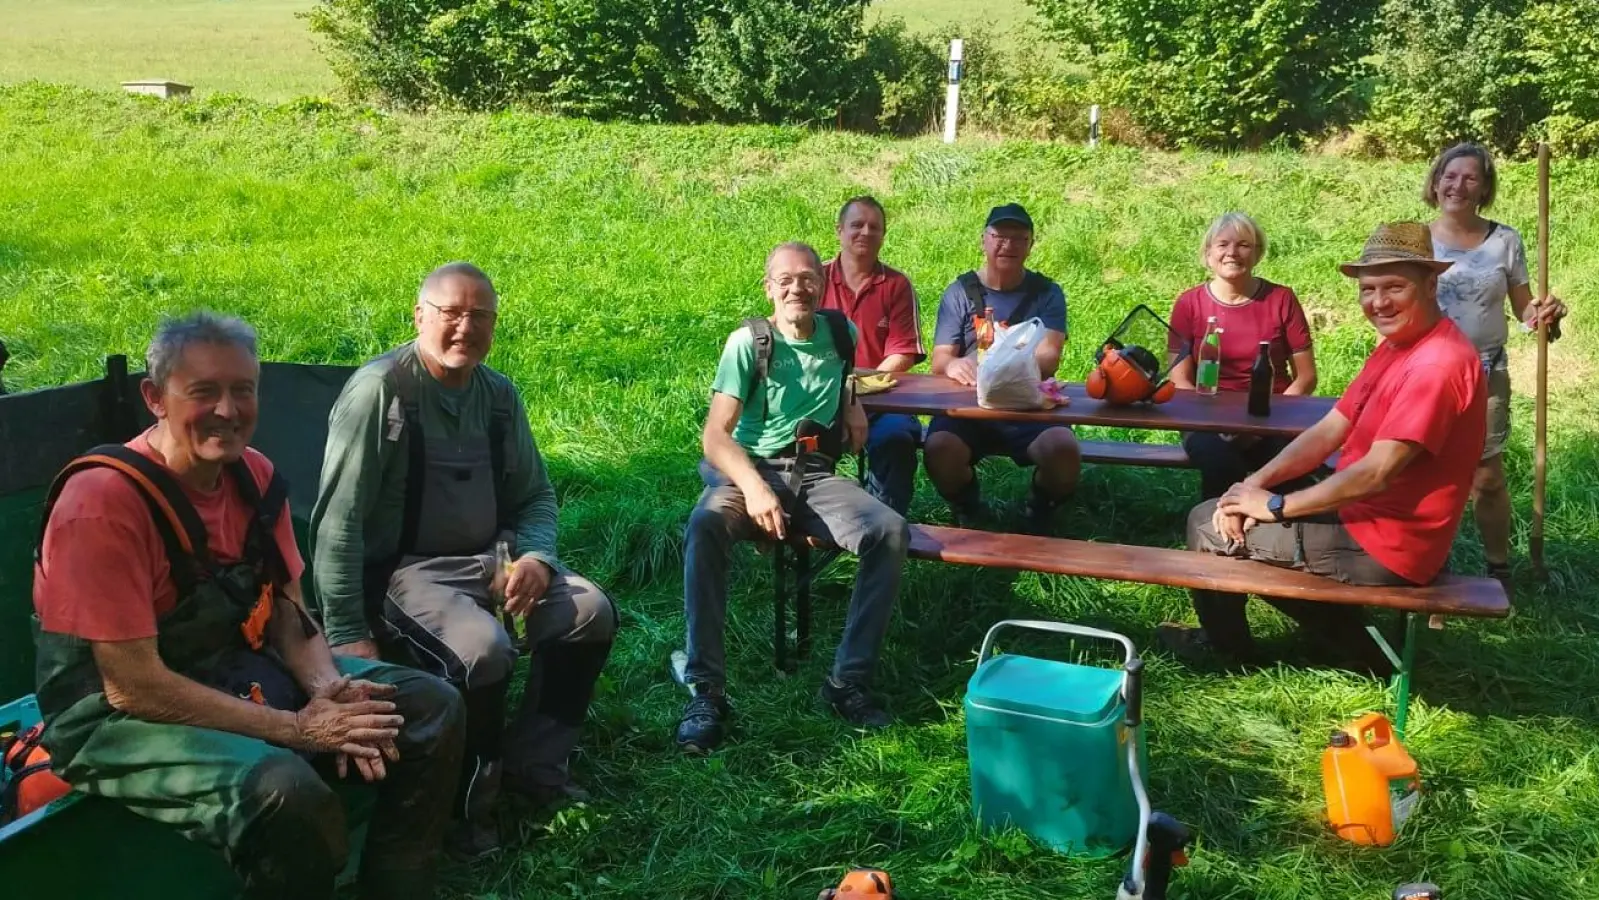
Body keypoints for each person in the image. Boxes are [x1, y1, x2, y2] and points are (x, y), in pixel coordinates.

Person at [32, 312, 465, 900]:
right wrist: (297, 729)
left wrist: (324, 688)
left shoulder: (255, 477)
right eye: (204, 392)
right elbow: (134, 687)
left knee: (431, 707)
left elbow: (289, 613)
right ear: (155, 398)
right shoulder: (102, 503)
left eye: (243, 390)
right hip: (113, 716)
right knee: (285, 795)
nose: (228, 410)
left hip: (236, 666)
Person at [308, 263, 618, 859]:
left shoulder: (498, 396)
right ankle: (467, 802)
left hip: (493, 560)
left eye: (480, 316)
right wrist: (347, 633)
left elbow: (535, 495)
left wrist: (536, 558)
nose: (464, 328)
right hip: (406, 574)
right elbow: (337, 520)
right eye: (451, 313)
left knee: (590, 614)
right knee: (482, 650)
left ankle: (538, 765)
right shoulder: (382, 392)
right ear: (420, 315)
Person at [1157, 222, 1487, 672]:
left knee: (1205, 523)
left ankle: (1231, 649)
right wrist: (1249, 487)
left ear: (1430, 284)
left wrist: (1274, 505)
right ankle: (1355, 643)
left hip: (1389, 543)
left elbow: (1376, 472)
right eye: (1368, 289)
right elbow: (1330, 428)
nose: (1378, 302)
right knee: (1226, 507)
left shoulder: (1436, 365)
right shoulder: (1400, 345)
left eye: (1394, 287)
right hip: (1367, 517)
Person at [675, 242, 909, 755]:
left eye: (807, 279)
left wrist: (851, 404)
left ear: (821, 286)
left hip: (817, 476)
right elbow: (715, 436)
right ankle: (706, 691)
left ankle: (847, 682)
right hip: (748, 472)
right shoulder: (748, 343)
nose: (797, 288)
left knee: (888, 531)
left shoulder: (840, 334)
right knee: (705, 525)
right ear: (768, 287)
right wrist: (755, 488)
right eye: (785, 280)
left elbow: (844, 375)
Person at [1423, 142, 1568, 587]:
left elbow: (1525, 312)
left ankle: (1497, 573)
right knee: (1428, 473)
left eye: (1470, 177)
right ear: (1435, 181)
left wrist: (1545, 316)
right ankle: (1427, 570)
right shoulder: (1414, 237)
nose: (1458, 185)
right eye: (1450, 175)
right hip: (1427, 372)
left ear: (1484, 187)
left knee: (1486, 477)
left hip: (1486, 370)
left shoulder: (1504, 239)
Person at [924, 203, 1079, 532]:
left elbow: (1050, 358)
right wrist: (953, 365)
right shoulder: (960, 292)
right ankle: (967, 504)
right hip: (969, 404)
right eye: (999, 236)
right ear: (984, 240)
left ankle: (1039, 507)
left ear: (1031, 245)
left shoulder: (1047, 293)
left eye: (1018, 238)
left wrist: (998, 364)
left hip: (1029, 405)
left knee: (1064, 453)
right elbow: (940, 359)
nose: (1007, 244)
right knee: (938, 449)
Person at [1166, 212, 1318, 499]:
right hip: (1204, 420)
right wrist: (1215, 424)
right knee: (1220, 461)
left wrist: (1264, 425)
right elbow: (1179, 380)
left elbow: (1306, 377)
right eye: (1222, 245)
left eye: (1244, 245)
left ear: (1257, 253)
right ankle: (1214, 533)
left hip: (1273, 417)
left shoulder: (1281, 299)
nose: (1232, 253)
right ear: (1208, 253)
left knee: (1288, 466)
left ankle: (1281, 537)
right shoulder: (1189, 304)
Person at [820, 195, 926, 514]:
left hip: (882, 399)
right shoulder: (814, 278)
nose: (865, 232)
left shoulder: (896, 285)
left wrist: (858, 388)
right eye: (856, 225)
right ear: (839, 230)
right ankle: (809, 519)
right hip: (821, 395)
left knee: (896, 437)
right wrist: (840, 392)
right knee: (793, 437)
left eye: (874, 227)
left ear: (883, 235)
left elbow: (902, 353)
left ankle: (886, 522)